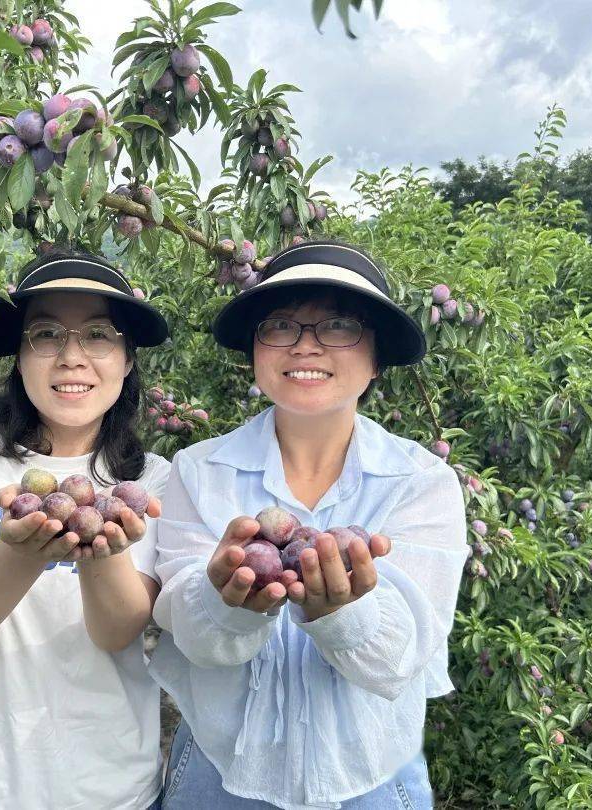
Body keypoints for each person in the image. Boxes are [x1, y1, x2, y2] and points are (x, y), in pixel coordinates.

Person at [150, 239, 469, 809]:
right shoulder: (199, 472)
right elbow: (188, 632)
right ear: (255, 352)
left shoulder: (421, 482)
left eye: (339, 325)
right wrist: (223, 601)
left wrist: (342, 612)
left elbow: (401, 661)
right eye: (280, 326)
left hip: (369, 778)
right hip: (218, 775)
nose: (305, 346)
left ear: (375, 358)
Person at [0, 250, 172, 809]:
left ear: (127, 360)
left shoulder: (149, 481)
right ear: (20, 357)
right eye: (46, 334)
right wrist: (20, 551)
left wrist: (100, 552)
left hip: (107, 786)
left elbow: (117, 631)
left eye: (98, 335)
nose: (72, 357)